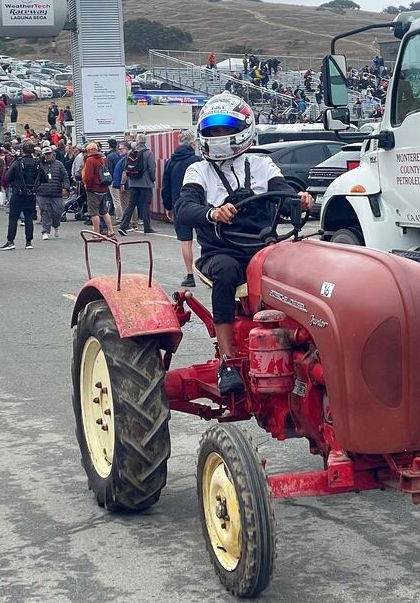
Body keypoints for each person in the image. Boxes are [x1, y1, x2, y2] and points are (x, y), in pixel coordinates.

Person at [175, 93, 313, 394]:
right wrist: (212, 212)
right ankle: (227, 361)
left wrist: (300, 201)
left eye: (225, 129)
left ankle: (305, 344)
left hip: (263, 246)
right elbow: (185, 207)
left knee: (303, 267)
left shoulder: (263, 165)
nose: (219, 136)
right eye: (212, 131)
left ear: (244, 129)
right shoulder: (198, 171)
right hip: (220, 251)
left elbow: (284, 193)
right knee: (225, 272)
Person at [161, 130, 200, 286]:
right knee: (204, 239)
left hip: (179, 205)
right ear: (192, 143)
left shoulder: (171, 162)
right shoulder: (197, 160)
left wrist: (168, 206)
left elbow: (166, 186)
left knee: (186, 241)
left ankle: (190, 276)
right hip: (199, 206)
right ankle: (208, 272)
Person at [0, 142, 46, 251]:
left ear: (22, 150)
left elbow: (7, 177)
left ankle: (10, 241)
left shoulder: (17, 162)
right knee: (29, 218)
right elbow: (44, 178)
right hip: (31, 194)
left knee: (13, 218)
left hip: (18, 193)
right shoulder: (37, 163)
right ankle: (28, 242)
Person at [117, 133, 156, 235]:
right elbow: (152, 168)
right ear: (145, 142)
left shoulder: (130, 153)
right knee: (146, 205)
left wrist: (124, 181)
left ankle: (123, 226)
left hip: (133, 183)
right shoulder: (148, 153)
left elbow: (126, 168)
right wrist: (153, 179)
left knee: (131, 204)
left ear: (137, 141)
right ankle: (147, 227)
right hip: (146, 183)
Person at [81, 141, 115, 236]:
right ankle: (110, 230)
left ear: (89, 151)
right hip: (103, 188)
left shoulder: (90, 160)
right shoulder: (102, 158)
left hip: (94, 189)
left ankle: (96, 233)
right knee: (104, 211)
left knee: (94, 213)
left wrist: (87, 185)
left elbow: (89, 176)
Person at [36, 145, 70, 239]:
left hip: (56, 192)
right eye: (46, 154)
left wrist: (65, 187)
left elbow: (65, 177)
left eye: (49, 154)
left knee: (57, 211)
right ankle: (45, 231)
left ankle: (56, 225)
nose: (48, 156)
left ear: (53, 154)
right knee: (45, 211)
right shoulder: (39, 164)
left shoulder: (59, 164)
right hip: (42, 192)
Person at [112, 143, 134, 229]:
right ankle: (130, 222)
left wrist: (122, 183)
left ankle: (130, 223)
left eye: (122, 148)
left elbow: (125, 172)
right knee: (126, 204)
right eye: (119, 148)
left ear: (127, 149)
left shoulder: (126, 158)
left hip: (124, 185)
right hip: (121, 184)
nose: (119, 150)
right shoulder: (123, 158)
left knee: (127, 204)